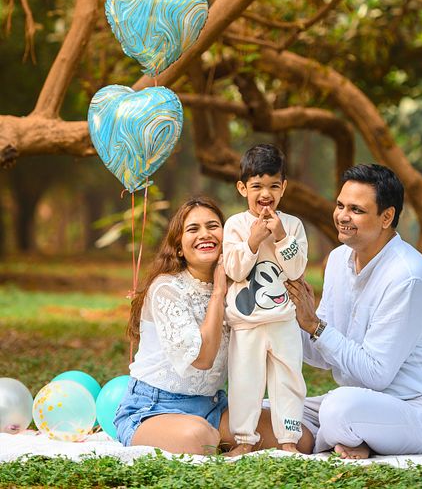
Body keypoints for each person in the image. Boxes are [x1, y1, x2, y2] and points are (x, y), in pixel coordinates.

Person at [287, 163, 422, 459]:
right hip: (364, 403)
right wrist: (285, 317)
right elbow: (321, 354)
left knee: (338, 410)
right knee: (268, 409)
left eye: (356, 209)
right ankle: (350, 438)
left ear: (387, 217)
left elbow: (376, 373)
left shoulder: (408, 276)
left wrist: (315, 326)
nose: (342, 216)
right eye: (340, 205)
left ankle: (347, 435)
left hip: (421, 411)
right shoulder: (338, 260)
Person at [114, 197, 232, 454]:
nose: (205, 234)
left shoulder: (237, 288)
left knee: (294, 436)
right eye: (193, 229)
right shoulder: (166, 288)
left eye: (213, 226)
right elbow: (203, 359)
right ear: (179, 248)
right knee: (199, 437)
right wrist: (218, 292)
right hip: (154, 408)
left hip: (212, 405)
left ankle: (216, 436)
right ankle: (211, 438)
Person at [222, 143, 308, 456]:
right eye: (257, 186)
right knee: (245, 381)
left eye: (273, 185)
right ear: (242, 188)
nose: (265, 193)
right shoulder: (235, 225)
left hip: (283, 321)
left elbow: (296, 269)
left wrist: (281, 236)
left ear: (283, 187)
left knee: (288, 379)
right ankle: (245, 439)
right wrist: (254, 240)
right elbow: (234, 270)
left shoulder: (293, 225)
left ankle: (289, 440)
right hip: (246, 323)